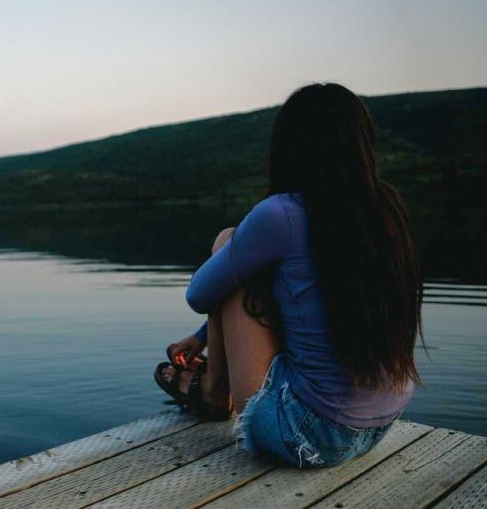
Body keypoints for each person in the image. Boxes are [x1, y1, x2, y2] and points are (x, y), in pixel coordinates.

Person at [154, 82, 423, 469]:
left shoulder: (280, 213)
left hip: (307, 434)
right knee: (270, 272)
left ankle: (214, 391)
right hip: (377, 429)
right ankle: (214, 378)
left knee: (228, 242)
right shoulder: (385, 211)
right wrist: (201, 338)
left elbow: (198, 295)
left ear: (288, 146)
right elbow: (321, 300)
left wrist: (229, 254)